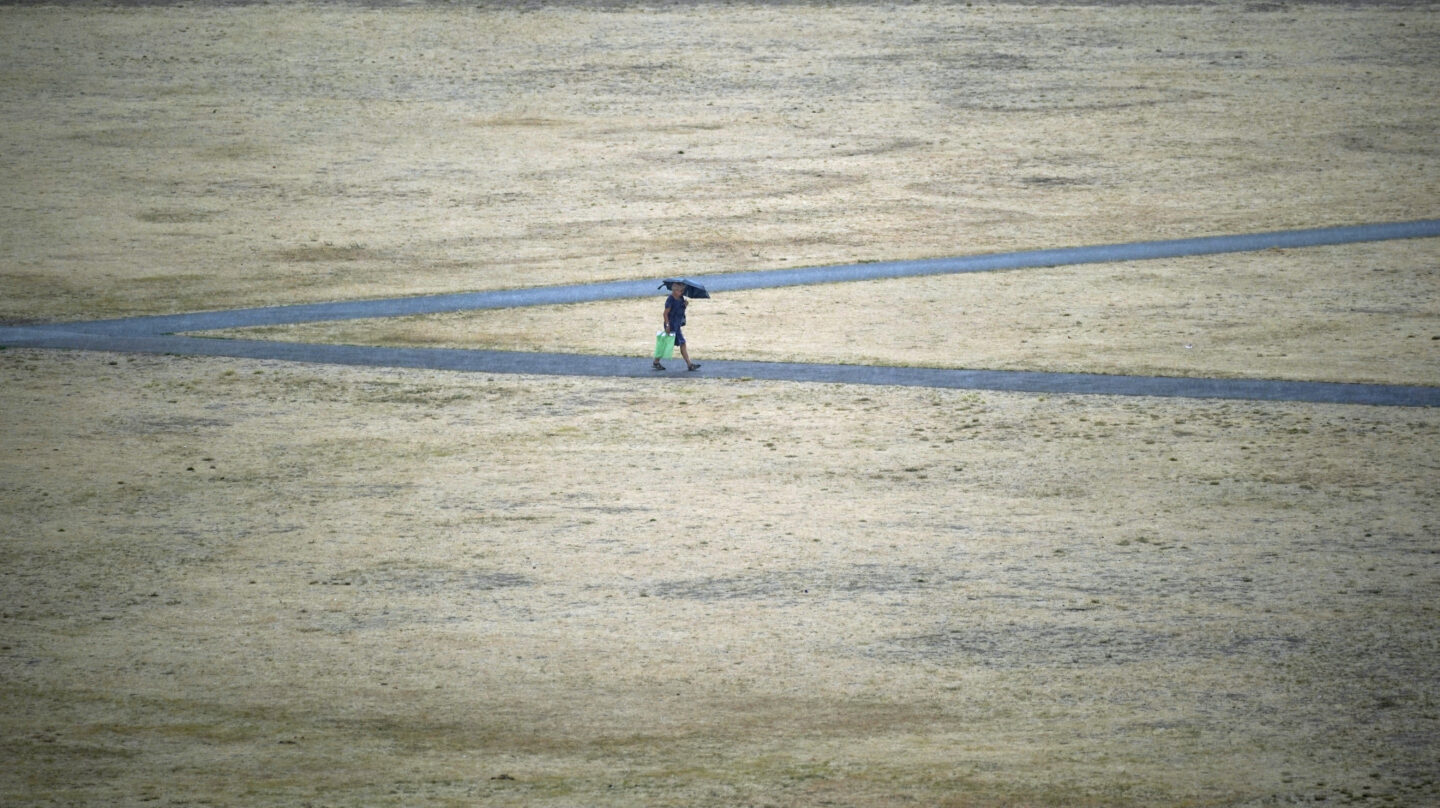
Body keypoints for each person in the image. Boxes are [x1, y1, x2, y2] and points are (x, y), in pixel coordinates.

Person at [655, 282, 699, 371]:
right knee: (680, 343)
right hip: (671, 325)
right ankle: (689, 365)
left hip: (677, 325)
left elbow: (680, 311)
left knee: (668, 343)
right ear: (674, 291)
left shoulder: (681, 298)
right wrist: (667, 325)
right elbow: (665, 314)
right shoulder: (670, 300)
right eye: (680, 290)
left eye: (683, 290)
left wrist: (685, 306)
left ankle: (656, 362)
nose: (682, 292)